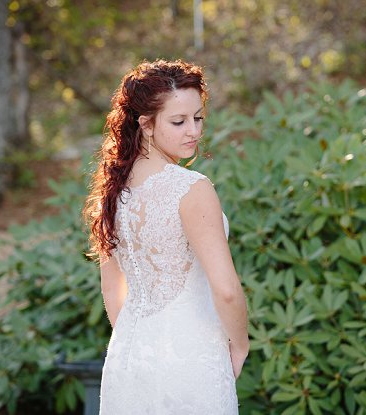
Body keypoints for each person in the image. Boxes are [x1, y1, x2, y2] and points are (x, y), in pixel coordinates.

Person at [83, 59, 248, 414]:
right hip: (192, 354)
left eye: (198, 117)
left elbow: (113, 290)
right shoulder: (191, 188)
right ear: (145, 125)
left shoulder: (113, 191)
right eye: (178, 121)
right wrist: (240, 344)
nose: (193, 131)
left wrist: (138, 345)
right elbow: (227, 290)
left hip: (128, 356)